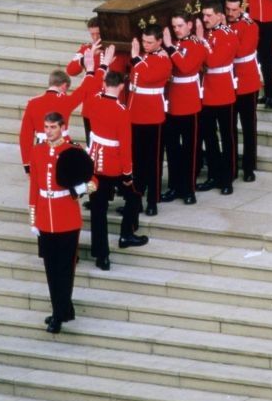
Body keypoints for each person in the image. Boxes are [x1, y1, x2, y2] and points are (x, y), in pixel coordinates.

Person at [28, 113, 93, 334]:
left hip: (67, 218)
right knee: (50, 269)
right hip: (46, 218)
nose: (48, 131)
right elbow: (34, 187)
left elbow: (93, 179)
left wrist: (79, 189)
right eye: (46, 127)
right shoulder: (37, 150)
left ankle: (58, 314)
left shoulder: (73, 150)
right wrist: (33, 218)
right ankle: (65, 308)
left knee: (65, 270)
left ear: (62, 127)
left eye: (53, 127)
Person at [87, 56, 148, 270]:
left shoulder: (94, 100)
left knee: (98, 210)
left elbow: (93, 88)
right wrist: (127, 173)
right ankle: (125, 235)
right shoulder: (122, 111)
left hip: (95, 162)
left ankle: (100, 253)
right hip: (114, 164)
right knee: (133, 198)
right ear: (122, 86)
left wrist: (100, 67)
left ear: (105, 84)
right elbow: (125, 146)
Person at [19, 48, 101, 173]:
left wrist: (27, 163)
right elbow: (85, 89)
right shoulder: (65, 101)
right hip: (63, 145)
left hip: (40, 147)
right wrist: (90, 70)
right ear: (63, 85)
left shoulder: (32, 103)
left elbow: (25, 136)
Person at [161, 12, 206, 206]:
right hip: (171, 102)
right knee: (172, 149)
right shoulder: (173, 45)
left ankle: (189, 188)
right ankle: (174, 186)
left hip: (189, 101)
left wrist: (170, 47)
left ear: (189, 25)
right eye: (174, 26)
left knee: (189, 148)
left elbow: (186, 66)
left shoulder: (197, 45)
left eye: (180, 25)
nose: (177, 30)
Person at [128, 26, 172, 217]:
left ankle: (153, 200)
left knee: (153, 161)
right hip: (135, 113)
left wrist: (136, 57)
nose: (146, 45)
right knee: (136, 161)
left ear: (159, 42)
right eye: (144, 41)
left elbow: (148, 76)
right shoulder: (143, 57)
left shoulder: (164, 59)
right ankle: (135, 200)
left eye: (150, 42)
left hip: (153, 115)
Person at [195, 1, 238, 195]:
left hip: (223, 91)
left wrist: (201, 44)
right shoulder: (206, 35)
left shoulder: (227, 35)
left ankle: (227, 177)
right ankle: (214, 174)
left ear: (220, 16)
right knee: (210, 137)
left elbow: (212, 61)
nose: (205, 19)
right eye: (203, 16)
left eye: (209, 15)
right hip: (207, 91)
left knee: (227, 137)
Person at [66, 16, 130, 142]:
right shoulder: (86, 49)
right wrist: (87, 57)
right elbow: (71, 70)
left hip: (113, 105)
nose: (95, 38)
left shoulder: (118, 50)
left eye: (98, 34)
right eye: (92, 34)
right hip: (91, 106)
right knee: (91, 144)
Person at [224, 0, 260, 183]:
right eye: (228, 9)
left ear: (242, 8)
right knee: (229, 127)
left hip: (247, 81)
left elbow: (240, 50)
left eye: (234, 10)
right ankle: (231, 166)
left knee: (248, 126)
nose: (231, 13)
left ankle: (249, 166)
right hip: (229, 83)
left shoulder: (250, 25)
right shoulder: (223, 25)